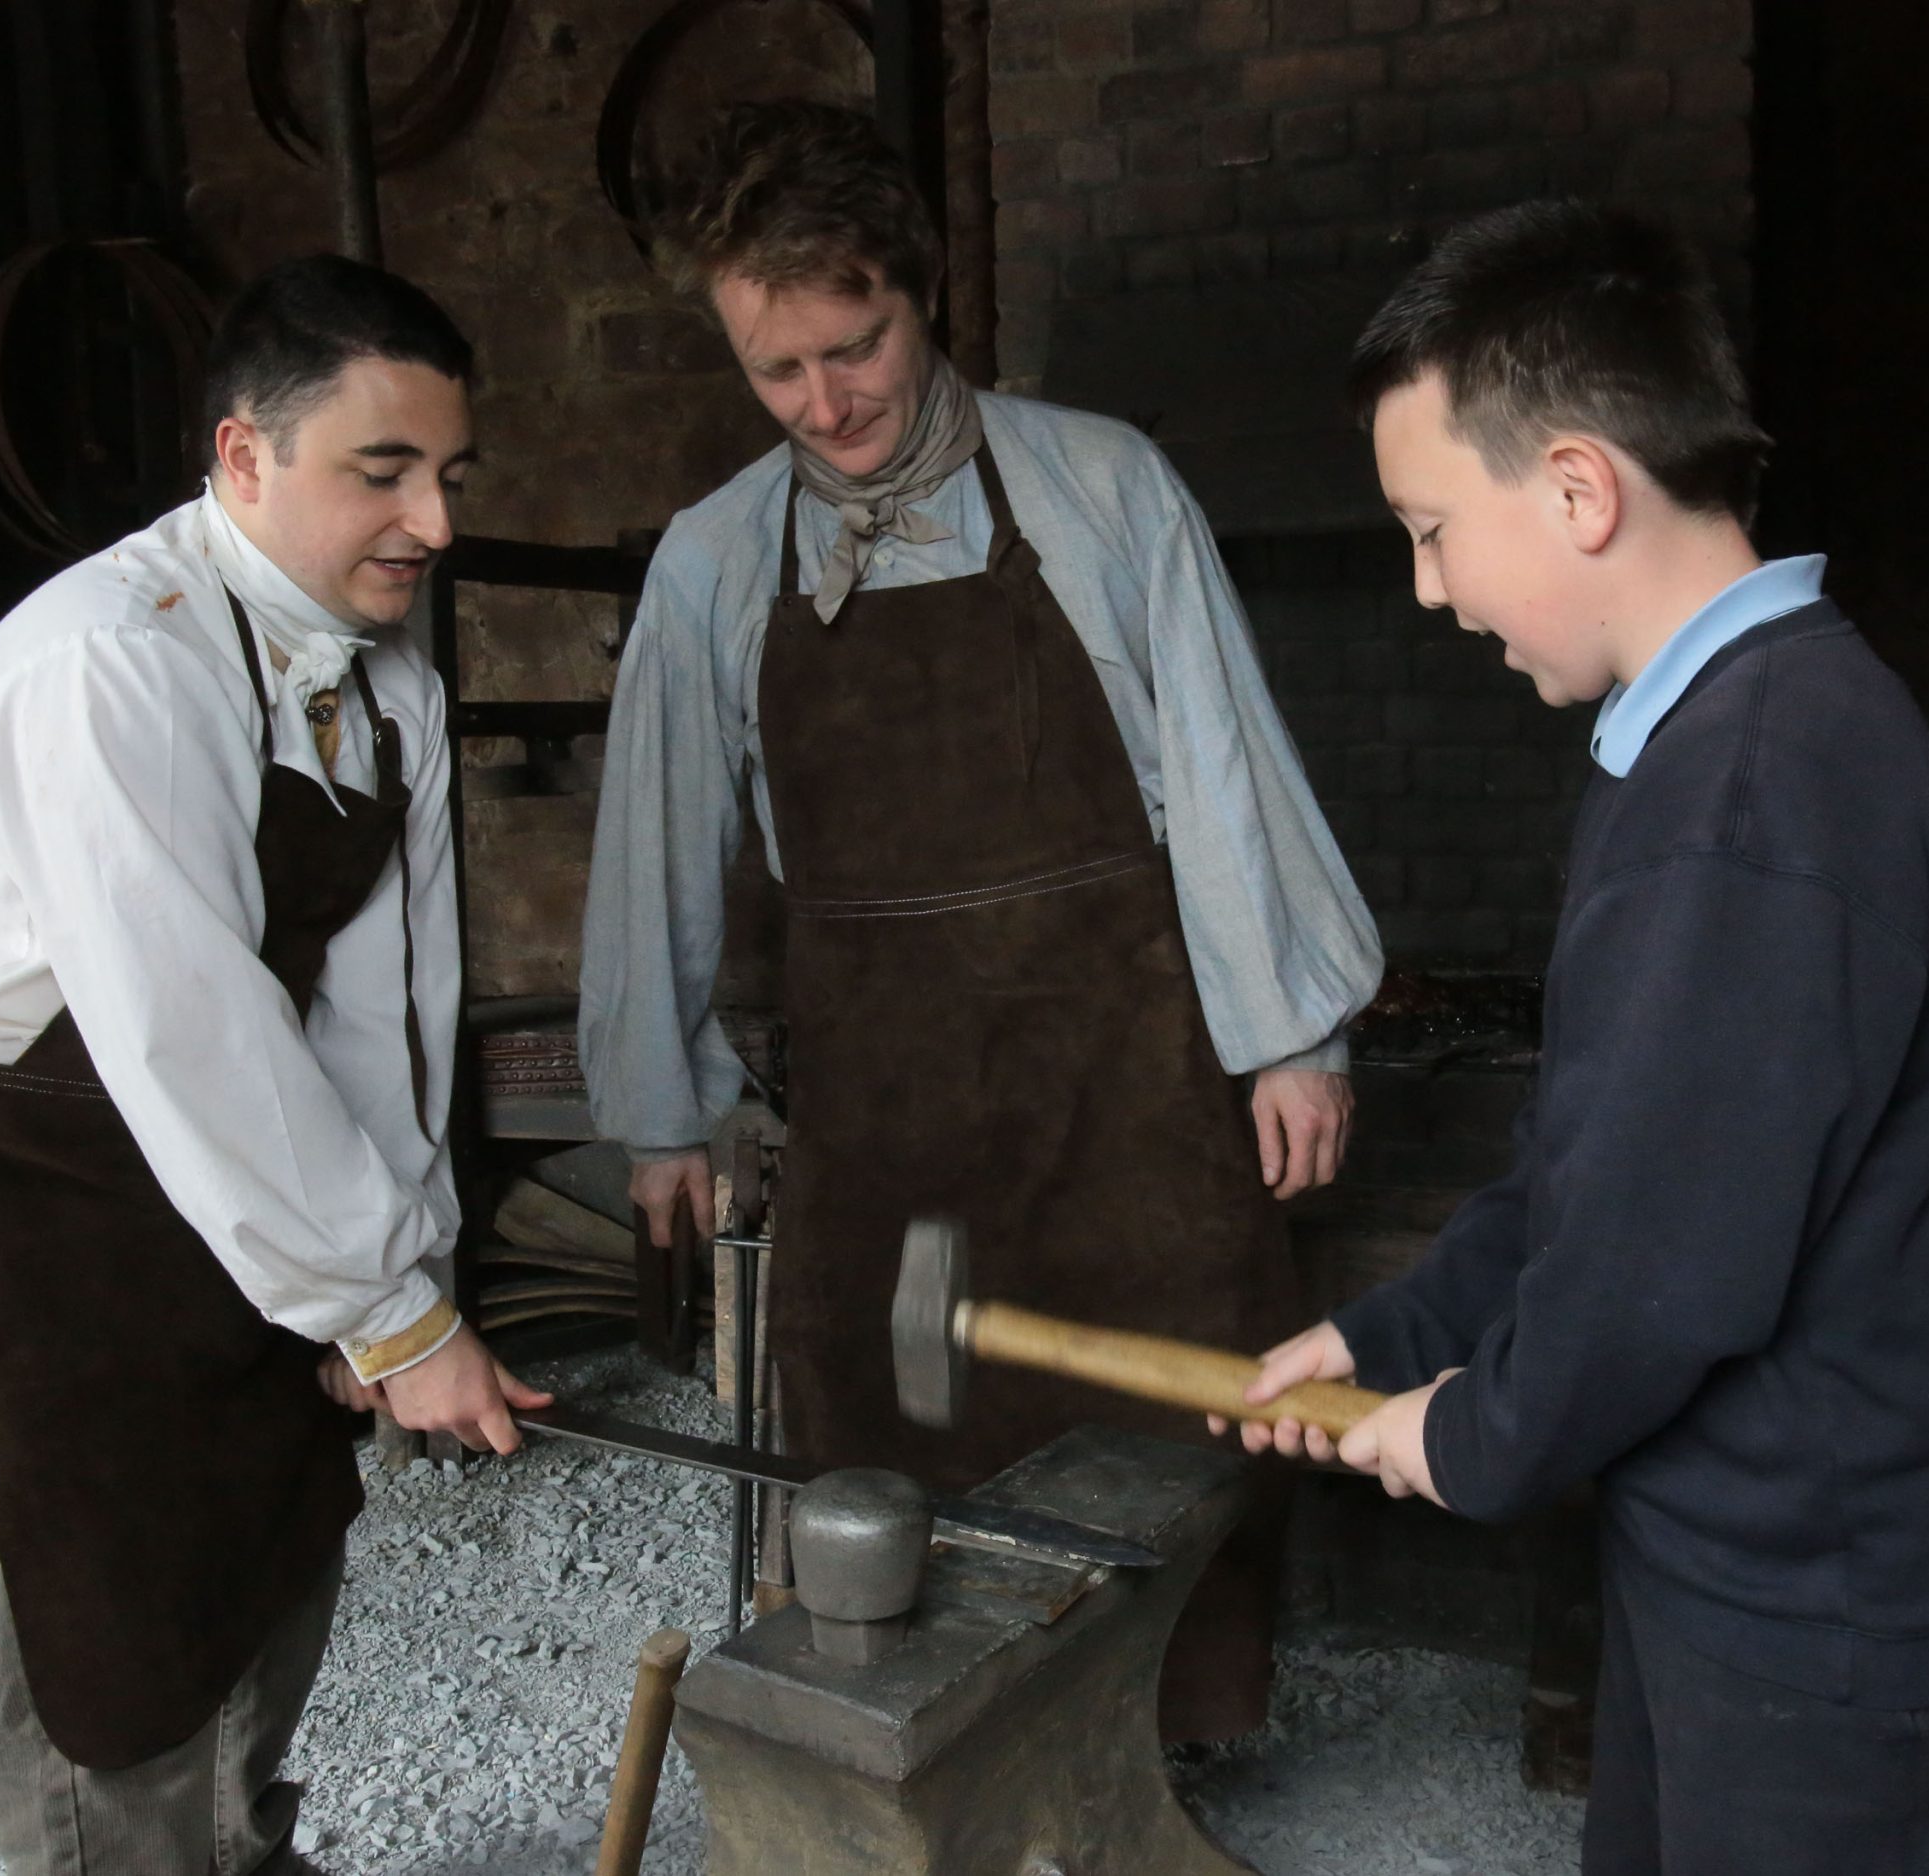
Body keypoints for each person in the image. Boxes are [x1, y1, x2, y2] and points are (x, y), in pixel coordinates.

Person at [1224, 200, 1929, 1872]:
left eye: (1431, 530)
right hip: (1742, 1552)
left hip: (1832, 1597)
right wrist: (1399, 1336)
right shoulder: (1705, 739)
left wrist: (1466, 1434)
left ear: (1576, 490)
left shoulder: (1753, 797)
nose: (1425, 588)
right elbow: (1595, 1165)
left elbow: (1659, 1273)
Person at [579, 101, 1383, 1741]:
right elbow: (655, 844)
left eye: (856, 347)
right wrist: (660, 1113)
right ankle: (933, 1747)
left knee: (1176, 1418)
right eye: (778, 373)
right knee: (898, 1437)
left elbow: (1223, 771)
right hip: (893, 1121)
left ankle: (1160, 1744)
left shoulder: (1100, 486)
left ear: (923, 291)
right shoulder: (715, 564)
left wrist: (1294, 1034)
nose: (827, 405)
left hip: (1127, 1094)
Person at [0, 255, 550, 1874]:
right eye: (384, 472)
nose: (434, 523)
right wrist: (384, 1312)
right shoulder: (117, 662)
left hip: (230, 1169)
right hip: (24, 1188)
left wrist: (402, 1279)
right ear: (244, 456)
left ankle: (235, 1852)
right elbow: (186, 1021)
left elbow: (388, 1008)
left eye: (451, 475)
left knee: (271, 1545)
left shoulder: (388, 685)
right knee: (120, 1625)